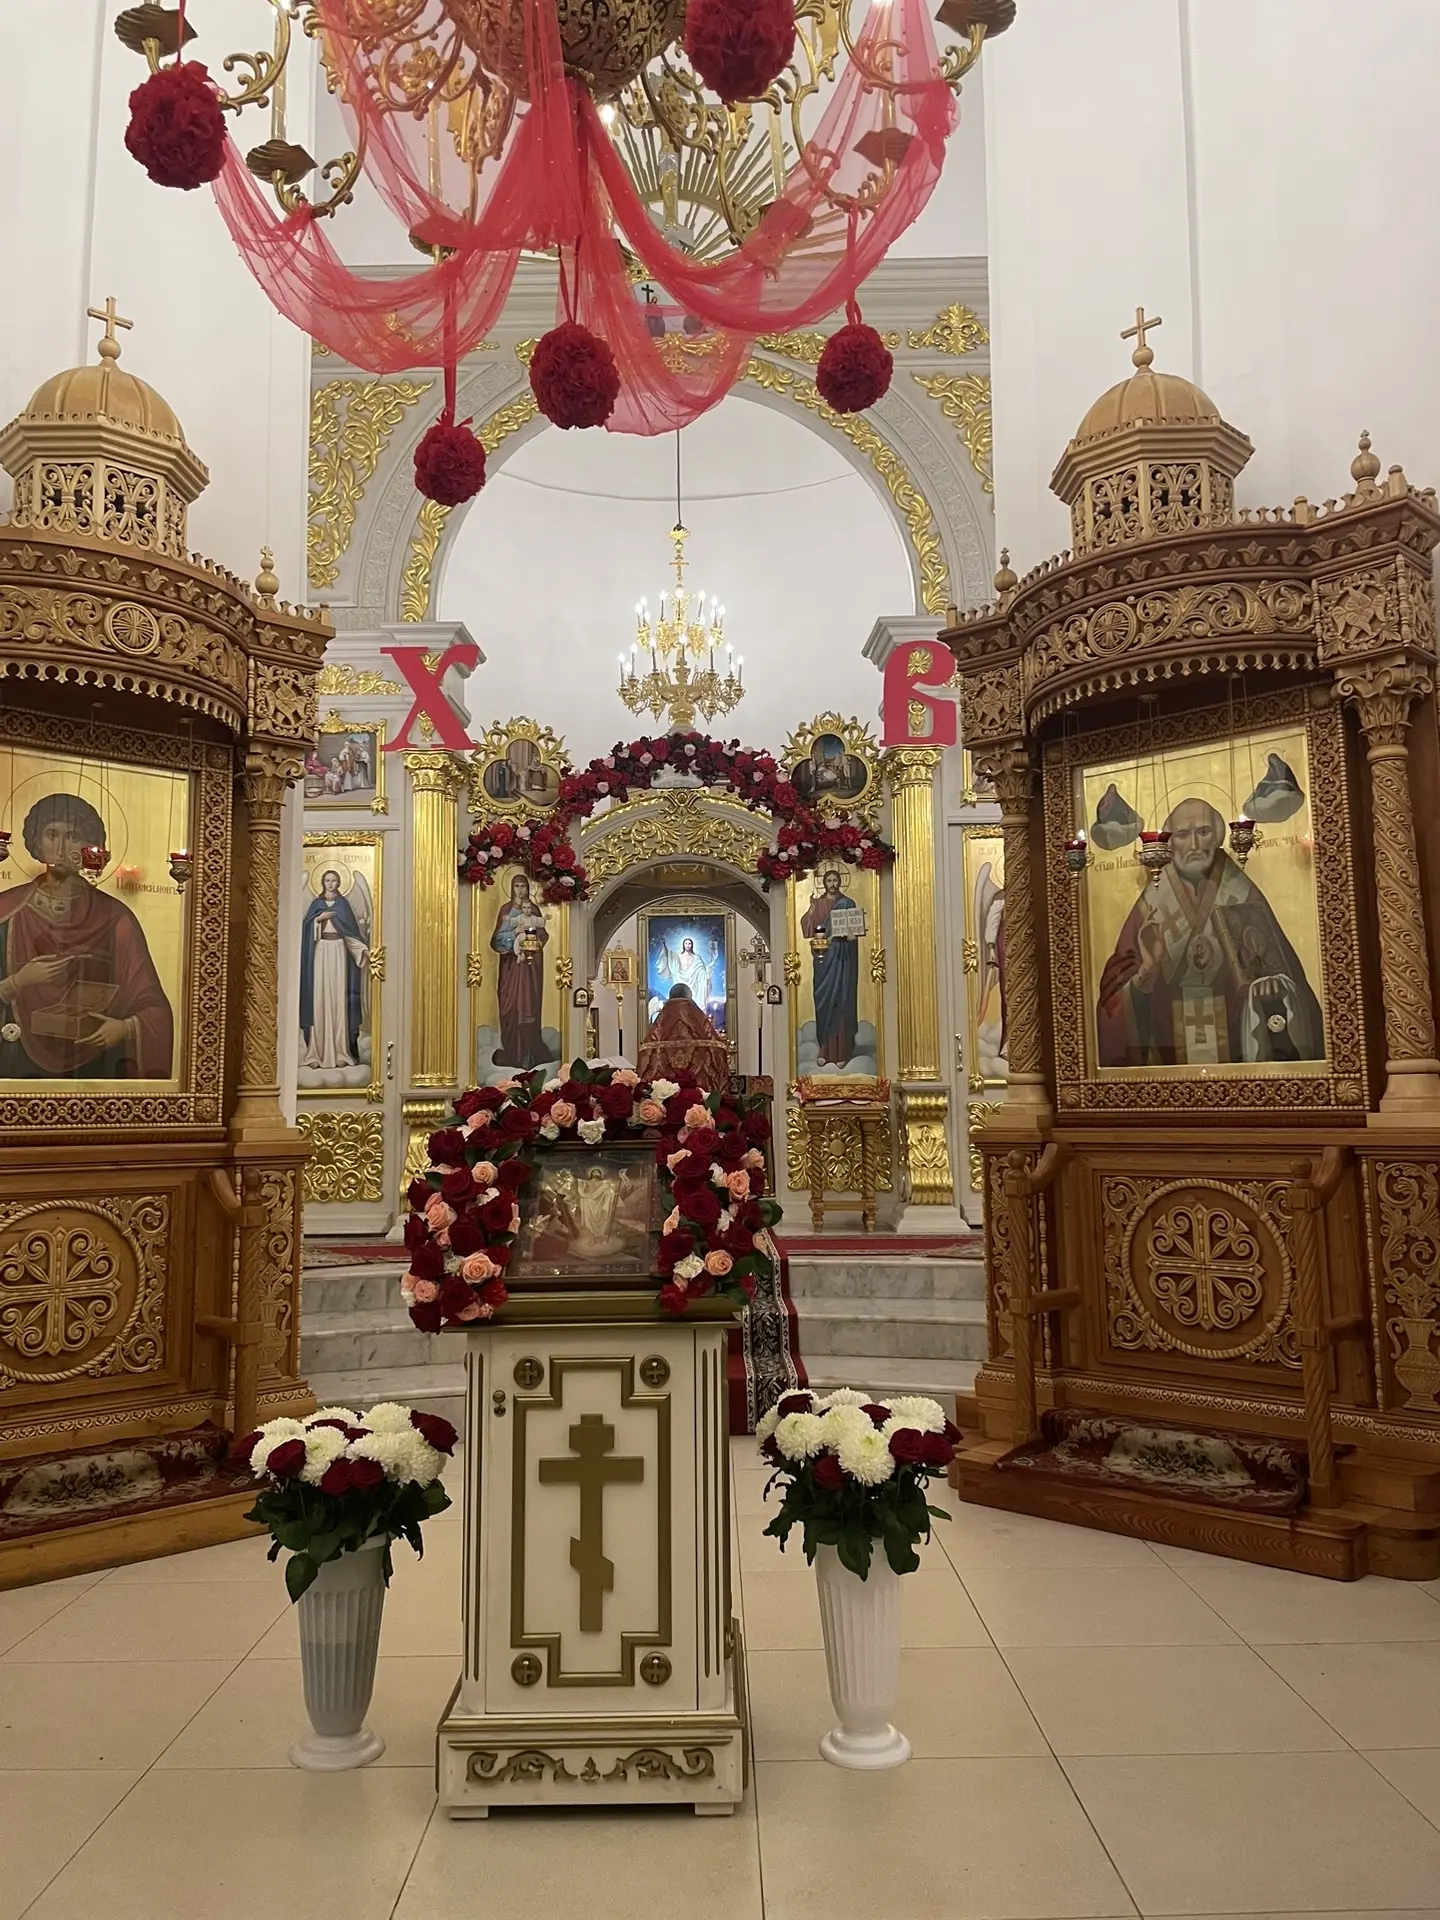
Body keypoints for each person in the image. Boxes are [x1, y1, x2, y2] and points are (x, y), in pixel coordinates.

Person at [1097, 796, 1324, 1068]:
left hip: (1238, 1042)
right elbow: (1116, 994)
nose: (1194, 844)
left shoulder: (1241, 894)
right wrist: (1147, 973)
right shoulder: (1151, 904)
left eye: (1203, 831)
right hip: (1168, 1045)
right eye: (1183, 835)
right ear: (1170, 842)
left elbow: (1285, 975)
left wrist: (1269, 988)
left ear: (1217, 836)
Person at [0, 790, 174, 1080]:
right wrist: (18, 982)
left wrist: (125, 1028)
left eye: (73, 836)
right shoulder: (6, 911)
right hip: (15, 1059)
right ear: (36, 841)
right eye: (51, 834)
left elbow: (152, 1004)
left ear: (89, 846)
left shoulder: (115, 917)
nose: (61, 847)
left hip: (95, 1062)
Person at [299, 869, 369, 1070]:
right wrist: (319, 919)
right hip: (320, 952)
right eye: (327, 880)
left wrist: (362, 950)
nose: (330, 884)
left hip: (339, 952)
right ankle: (316, 1053)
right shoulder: (316, 904)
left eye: (334, 880)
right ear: (322, 882)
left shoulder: (343, 904)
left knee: (339, 1000)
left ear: (339, 883)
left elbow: (351, 933)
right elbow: (305, 932)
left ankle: (341, 1052)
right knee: (319, 998)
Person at [801, 868, 861, 1068]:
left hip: (843, 959)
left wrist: (852, 936)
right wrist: (811, 910)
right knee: (824, 1002)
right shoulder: (818, 904)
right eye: (829, 880)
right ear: (824, 883)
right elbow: (808, 929)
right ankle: (825, 1050)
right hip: (824, 958)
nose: (832, 884)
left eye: (835, 880)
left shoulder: (848, 903)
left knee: (842, 1001)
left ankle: (843, 1051)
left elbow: (854, 928)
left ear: (840, 882)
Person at [490, 873, 550, 1069]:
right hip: (510, 968)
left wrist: (534, 940)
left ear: (528, 888)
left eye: (523, 886)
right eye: (516, 886)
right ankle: (511, 1053)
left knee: (528, 1005)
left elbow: (542, 934)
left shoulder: (534, 910)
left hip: (529, 970)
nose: (520, 890)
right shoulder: (506, 910)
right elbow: (497, 940)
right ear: (511, 888)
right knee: (510, 1008)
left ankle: (529, 1053)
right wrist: (514, 933)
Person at [637, 983, 730, 1092]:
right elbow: (720, 1060)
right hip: (702, 1100)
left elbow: (644, 1066)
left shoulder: (654, 1036)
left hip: (664, 1101)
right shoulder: (709, 1036)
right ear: (691, 998)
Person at [656, 934, 711, 1005]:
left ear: (692, 945)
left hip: (692, 984)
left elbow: (701, 972)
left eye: (689, 944)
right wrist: (664, 944)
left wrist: (706, 976)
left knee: (691, 1002)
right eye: (686, 943)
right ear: (683, 945)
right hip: (679, 981)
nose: (688, 945)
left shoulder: (696, 958)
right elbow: (668, 956)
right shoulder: (678, 956)